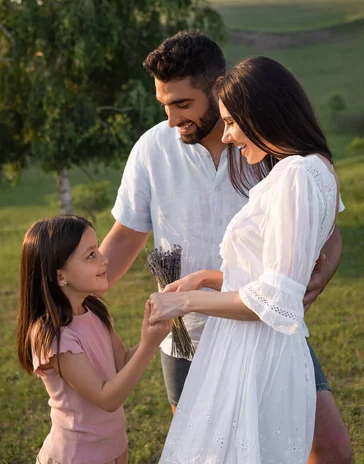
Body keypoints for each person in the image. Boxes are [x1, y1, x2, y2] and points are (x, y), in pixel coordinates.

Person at [100, 31, 352, 463]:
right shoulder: (151, 149)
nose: (173, 118)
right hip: (188, 338)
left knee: (328, 450)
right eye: (164, 104)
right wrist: (71, 291)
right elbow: (125, 234)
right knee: (212, 453)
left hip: (268, 329)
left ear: (218, 89)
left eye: (183, 104)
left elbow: (325, 229)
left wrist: (323, 270)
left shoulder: (271, 151)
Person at [17, 215, 171, 464]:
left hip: (114, 449)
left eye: (98, 249)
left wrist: (149, 336)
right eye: (91, 255)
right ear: (59, 277)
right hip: (78, 456)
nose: (104, 259)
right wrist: (150, 346)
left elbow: (120, 365)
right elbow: (107, 398)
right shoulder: (54, 337)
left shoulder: (95, 309)